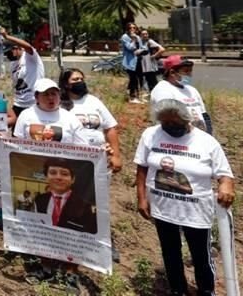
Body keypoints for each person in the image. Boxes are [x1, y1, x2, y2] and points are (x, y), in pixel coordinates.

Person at [135, 99, 235, 296]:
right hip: (163, 208)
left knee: (201, 256)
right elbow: (142, 167)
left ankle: (206, 291)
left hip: (195, 211)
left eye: (175, 123)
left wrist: (226, 186)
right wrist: (142, 198)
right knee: (170, 252)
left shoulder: (205, 142)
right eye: (166, 124)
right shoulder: (150, 134)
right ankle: (177, 290)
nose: (171, 127)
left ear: (186, 120)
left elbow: (225, 174)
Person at [59, 69, 122, 172]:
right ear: (66, 84)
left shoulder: (93, 101)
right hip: (71, 158)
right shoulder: (60, 104)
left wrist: (116, 156)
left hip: (98, 156)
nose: (80, 81)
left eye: (81, 79)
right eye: (75, 79)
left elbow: (110, 128)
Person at [12, 79, 87, 145]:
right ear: (36, 97)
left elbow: (83, 146)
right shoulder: (26, 115)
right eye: (46, 94)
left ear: (59, 96)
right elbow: (17, 143)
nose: (50, 98)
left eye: (53, 94)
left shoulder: (71, 118)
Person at [34, 158, 97, 234]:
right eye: (53, 173)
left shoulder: (84, 205)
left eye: (64, 174)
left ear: (73, 179)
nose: (58, 177)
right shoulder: (40, 199)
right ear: (46, 177)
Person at [150, 54, 210, 133]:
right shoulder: (162, 90)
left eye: (190, 71)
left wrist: (208, 135)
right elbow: (169, 121)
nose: (190, 74)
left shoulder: (191, 90)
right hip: (177, 140)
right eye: (186, 71)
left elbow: (204, 115)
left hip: (198, 137)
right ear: (172, 72)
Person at [0, 27, 44, 118]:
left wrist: (7, 37)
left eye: (9, 53)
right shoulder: (13, 63)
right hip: (18, 104)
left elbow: (27, 46)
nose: (7, 56)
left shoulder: (30, 57)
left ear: (16, 48)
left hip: (33, 103)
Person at [120, 22, 143, 103]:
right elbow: (130, 47)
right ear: (127, 29)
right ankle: (132, 97)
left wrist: (140, 50)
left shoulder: (137, 37)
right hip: (129, 61)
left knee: (138, 78)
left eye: (134, 28)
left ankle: (135, 95)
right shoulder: (125, 37)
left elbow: (141, 47)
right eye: (130, 28)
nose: (132, 29)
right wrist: (133, 40)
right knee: (133, 79)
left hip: (138, 60)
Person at [139, 29, 164, 94]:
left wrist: (154, 56)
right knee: (148, 82)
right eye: (143, 34)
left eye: (146, 34)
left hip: (150, 66)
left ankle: (157, 95)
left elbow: (162, 49)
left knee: (153, 82)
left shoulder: (150, 41)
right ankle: (151, 95)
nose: (145, 35)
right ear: (140, 35)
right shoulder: (141, 42)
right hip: (144, 66)